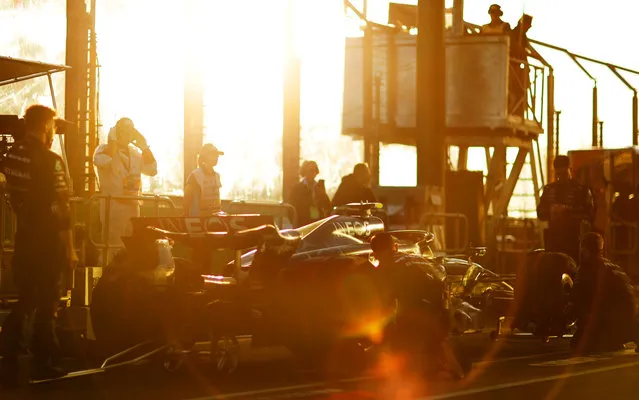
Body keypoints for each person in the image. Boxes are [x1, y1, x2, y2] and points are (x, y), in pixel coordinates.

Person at [0, 105, 77, 384]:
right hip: (47, 241)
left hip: (24, 238)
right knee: (47, 303)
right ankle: (44, 362)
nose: (55, 133)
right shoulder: (51, 160)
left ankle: (8, 359)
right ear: (45, 125)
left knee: (26, 300)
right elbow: (62, 208)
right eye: (54, 127)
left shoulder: (12, 156)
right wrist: (69, 248)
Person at [370, 233, 465, 379]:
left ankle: (440, 365)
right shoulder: (416, 258)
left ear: (375, 254)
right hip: (445, 309)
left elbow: (384, 303)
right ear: (395, 247)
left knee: (397, 339)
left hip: (421, 315)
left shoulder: (387, 268)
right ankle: (441, 363)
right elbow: (441, 276)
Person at [93, 118, 157, 263]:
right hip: (113, 209)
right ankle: (104, 278)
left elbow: (152, 169)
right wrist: (112, 141)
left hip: (133, 208)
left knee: (130, 249)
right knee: (111, 248)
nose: (127, 134)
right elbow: (103, 161)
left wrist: (145, 147)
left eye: (130, 131)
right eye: (123, 131)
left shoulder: (135, 153)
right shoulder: (103, 149)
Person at [571, 232, 639, 353]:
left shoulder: (587, 268)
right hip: (630, 323)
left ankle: (608, 338)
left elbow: (576, 298)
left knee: (577, 343)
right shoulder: (613, 266)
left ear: (585, 248)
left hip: (610, 326)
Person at [537, 155, 594, 262]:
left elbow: (589, 215)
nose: (561, 177)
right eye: (558, 174)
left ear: (570, 170)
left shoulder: (581, 190)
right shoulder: (549, 189)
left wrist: (567, 212)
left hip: (573, 239)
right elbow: (540, 213)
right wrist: (550, 211)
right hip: (553, 239)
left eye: (564, 174)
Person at [509, 14, 543, 117]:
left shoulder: (522, 36)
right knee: (517, 90)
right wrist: (532, 55)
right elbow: (518, 49)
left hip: (519, 68)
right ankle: (515, 111)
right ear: (523, 23)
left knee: (521, 90)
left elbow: (525, 49)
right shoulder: (514, 34)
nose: (529, 27)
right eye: (528, 25)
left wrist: (533, 56)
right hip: (513, 68)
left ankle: (519, 110)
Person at [184, 143, 223, 217]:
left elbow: (217, 199)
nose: (216, 157)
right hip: (197, 219)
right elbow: (187, 198)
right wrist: (186, 215)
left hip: (214, 219)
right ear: (205, 157)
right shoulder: (195, 175)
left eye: (217, 155)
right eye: (213, 155)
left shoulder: (217, 176)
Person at [289, 160, 330, 227]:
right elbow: (291, 208)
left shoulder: (319, 187)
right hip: (303, 224)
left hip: (317, 222)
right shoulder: (298, 188)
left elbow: (327, 206)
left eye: (314, 170)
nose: (312, 173)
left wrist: (323, 194)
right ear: (305, 171)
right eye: (310, 170)